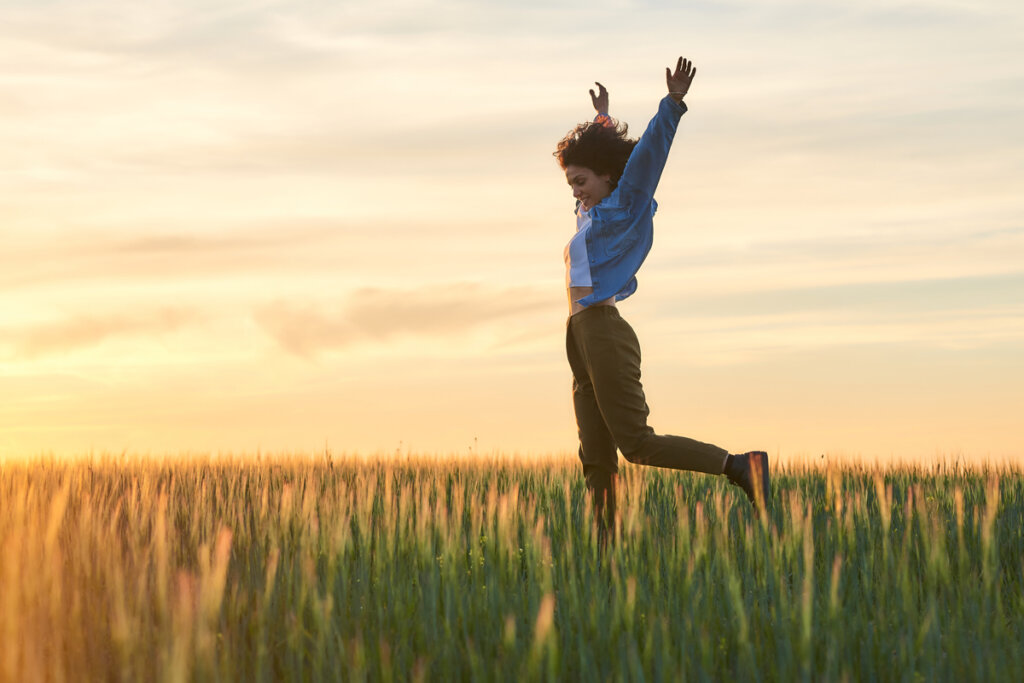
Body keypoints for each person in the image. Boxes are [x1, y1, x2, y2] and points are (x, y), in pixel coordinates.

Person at [553, 57, 770, 546]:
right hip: (579, 336)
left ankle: (739, 466)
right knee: (595, 453)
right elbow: (603, 161)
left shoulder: (623, 205)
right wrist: (601, 121)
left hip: (604, 332)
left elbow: (646, 156)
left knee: (636, 444)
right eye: (570, 184)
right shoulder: (590, 211)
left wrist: (671, 105)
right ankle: (603, 549)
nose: (576, 191)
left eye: (581, 181)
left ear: (609, 178)